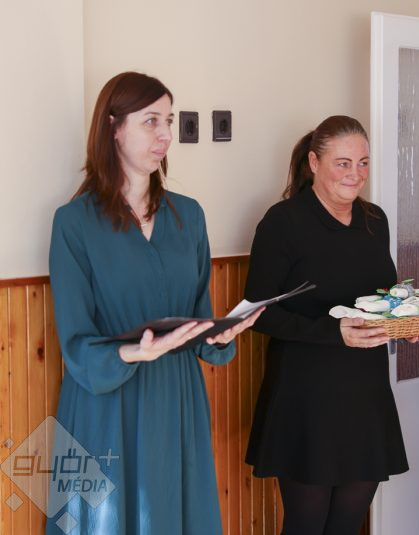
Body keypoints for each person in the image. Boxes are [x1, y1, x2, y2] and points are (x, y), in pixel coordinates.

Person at [47, 72, 262, 535]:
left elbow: (199, 320)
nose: (165, 134)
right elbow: (76, 343)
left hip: (176, 399)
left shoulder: (190, 216)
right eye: (151, 121)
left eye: (168, 120)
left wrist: (219, 335)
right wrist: (133, 352)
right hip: (106, 405)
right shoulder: (73, 223)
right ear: (113, 127)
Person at [244, 115, 419, 535]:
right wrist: (333, 332)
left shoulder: (374, 220)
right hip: (306, 394)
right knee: (306, 524)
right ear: (314, 162)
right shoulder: (283, 222)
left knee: (349, 523)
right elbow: (259, 312)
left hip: (365, 391)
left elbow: (383, 300)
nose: (356, 174)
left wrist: (410, 324)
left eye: (363, 163)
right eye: (343, 163)